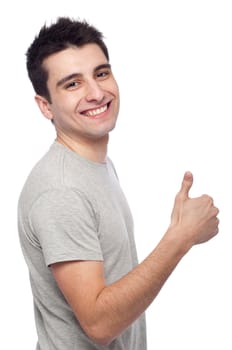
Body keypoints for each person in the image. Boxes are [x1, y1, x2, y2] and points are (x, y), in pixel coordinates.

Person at [18, 17, 219, 350]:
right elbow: (99, 323)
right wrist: (180, 237)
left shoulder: (95, 165)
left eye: (101, 73)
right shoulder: (61, 190)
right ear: (45, 106)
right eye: (72, 84)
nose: (97, 93)